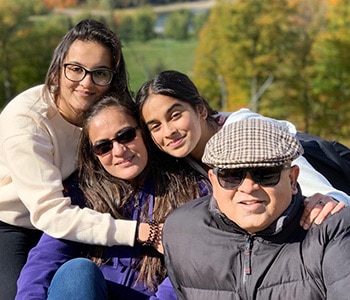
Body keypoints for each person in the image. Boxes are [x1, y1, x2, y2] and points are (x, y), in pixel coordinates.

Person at [0, 19, 153, 299]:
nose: (86, 83)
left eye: (100, 73)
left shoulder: (106, 117)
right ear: (58, 69)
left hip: (75, 215)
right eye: (76, 70)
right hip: (16, 224)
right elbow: (50, 214)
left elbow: (163, 122)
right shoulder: (26, 122)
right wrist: (139, 232)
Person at [16, 94, 210, 299]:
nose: (119, 151)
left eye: (126, 135)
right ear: (94, 155)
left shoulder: (190, 190)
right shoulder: (83, 194)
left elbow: (190, 269)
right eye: (103, 147)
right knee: (77, 272)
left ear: (143, 132)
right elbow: (45, 259)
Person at [162, 118, 350, 300]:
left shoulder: (331, 230)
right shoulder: (182, 231)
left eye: (265, 173)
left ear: (292, 179)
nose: (248, 187)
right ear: (212, 181)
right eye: (232, 175)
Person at [135, 70, 348, 228]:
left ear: (200, 110)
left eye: (175, 115)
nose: (168, 131)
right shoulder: (178, 163)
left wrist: (329, 200)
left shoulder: (247, 132)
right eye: (155, 126)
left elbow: (321, 190)